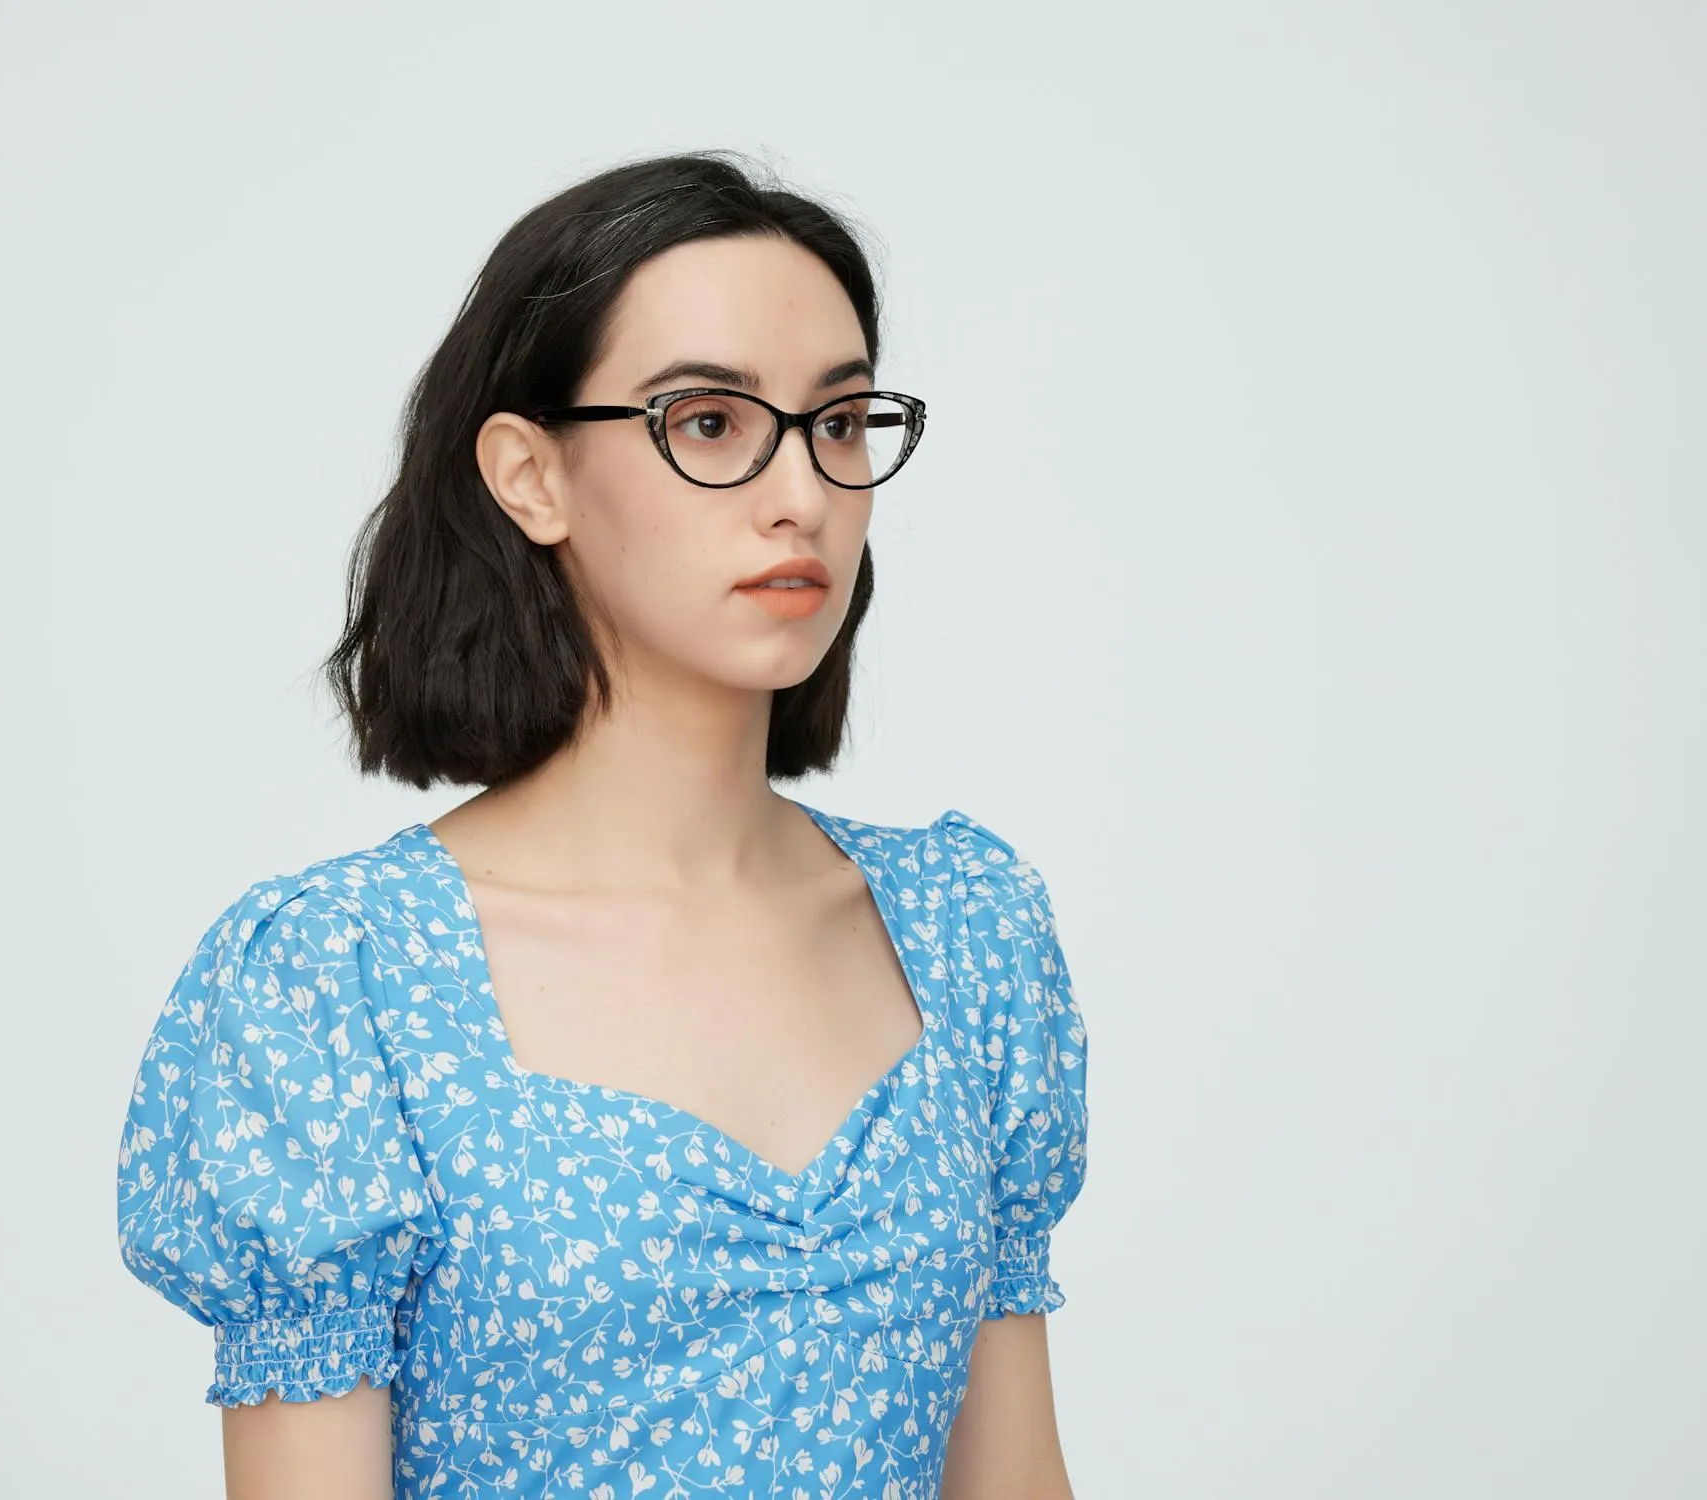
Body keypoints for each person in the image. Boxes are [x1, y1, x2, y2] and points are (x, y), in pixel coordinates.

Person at [114, 150, 1091, 1499]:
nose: (801, 492)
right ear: (531, 477)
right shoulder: (341, 985)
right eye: (707, 423)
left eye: (842, 420)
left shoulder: (966, 936)